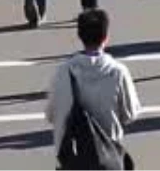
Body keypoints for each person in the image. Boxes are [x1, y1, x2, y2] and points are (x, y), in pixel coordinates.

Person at [45, 9, 141, 168]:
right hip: (107, 158)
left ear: (79, 35)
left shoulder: (63, 72)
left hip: (72, 160)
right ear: (106, 37)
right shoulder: (118, 72)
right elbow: (130, 114)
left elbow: (51, 115)